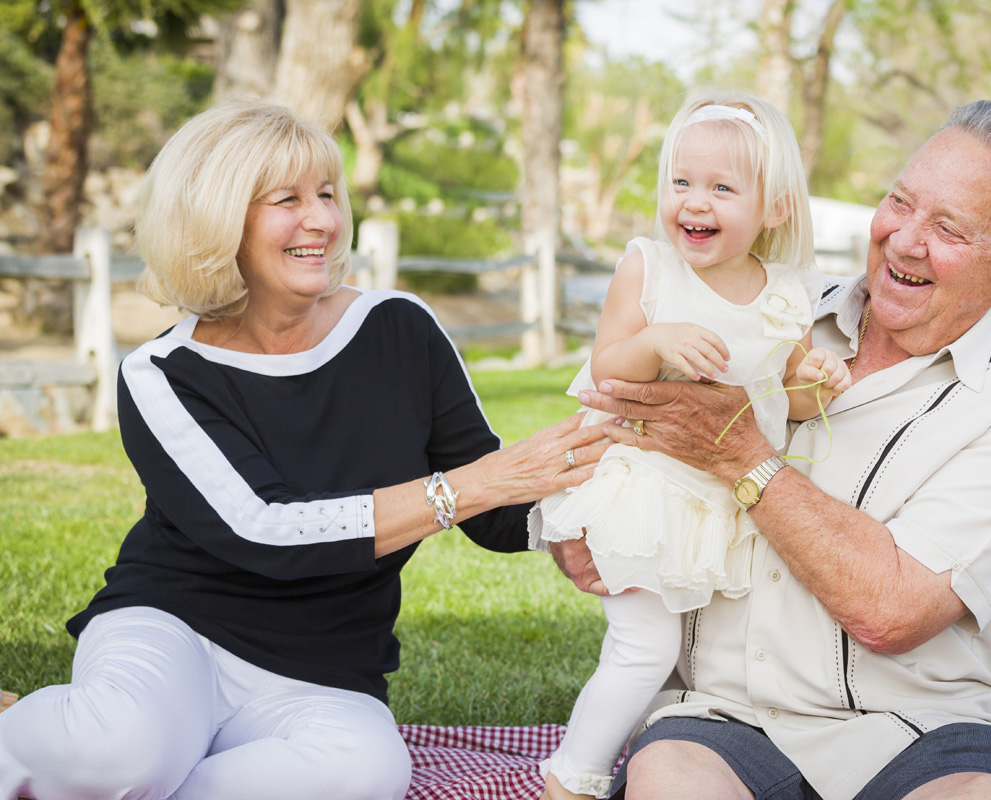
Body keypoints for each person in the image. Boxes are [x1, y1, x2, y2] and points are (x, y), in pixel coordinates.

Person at [0, 99, 608, 800]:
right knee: (121, 750)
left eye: (327, 194)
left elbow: (492, 506)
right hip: (177, 630)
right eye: (287, 200)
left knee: (366, 775)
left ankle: (104, 765)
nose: (321, 219)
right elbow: (265, 529)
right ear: (217, 218)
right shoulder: (162, 373)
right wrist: (469, 488)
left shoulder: (400, 329)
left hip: (326, 666)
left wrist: (557, 522)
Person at [553, 99, 991, 800]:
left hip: (922, 729)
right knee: (667, 781)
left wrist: (742, 456)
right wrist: (577, 519)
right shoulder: (776, 307)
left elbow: (892, 612)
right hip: (724, 716)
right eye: (901, 202)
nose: (905, 240)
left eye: (949, 228)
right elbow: (608, 407)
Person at [530, 90, 850, 800]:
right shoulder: (650, 267)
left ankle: (650, 762)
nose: (693, 202)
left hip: (717, 502)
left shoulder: (786, 294)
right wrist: (656, 340)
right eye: (681, 182)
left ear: (775, 208)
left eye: (722, 188)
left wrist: (817, 380)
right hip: (644, 489)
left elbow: (784, 398)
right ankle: (571, 777)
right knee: (646, 646)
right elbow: (607, 368)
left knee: (681, 659)